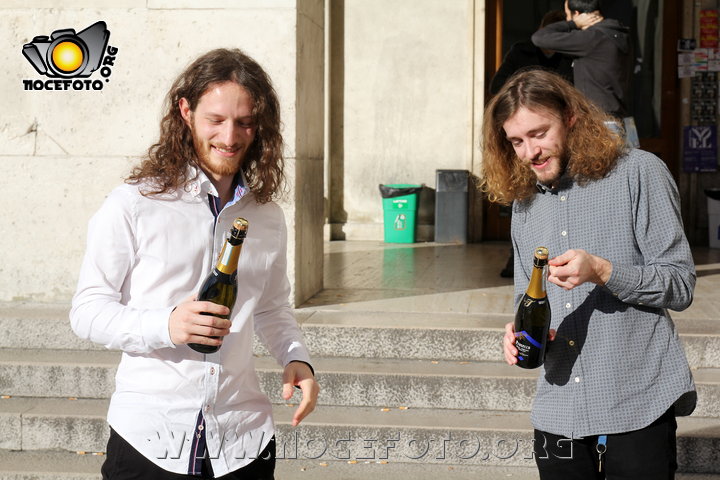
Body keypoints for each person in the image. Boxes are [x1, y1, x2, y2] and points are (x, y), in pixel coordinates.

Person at [70, 48, 320, 479]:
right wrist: (165, 325)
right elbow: (87, 310)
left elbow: (272, 308)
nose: (230, 136)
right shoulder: (134, 203)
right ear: (185, 111)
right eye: (216, 120)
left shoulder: (267, 216)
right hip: (149, 440)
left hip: (243, 441)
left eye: (244, 122)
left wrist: (295, 359)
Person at [481, 69, 696, 479]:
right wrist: (519, 332)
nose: (530, 152)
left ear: (571, 118)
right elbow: (525, 296)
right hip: (558, 407)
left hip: (636, 398)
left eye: (539, 133)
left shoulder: (639, 172)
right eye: (516, 141)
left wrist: (601, 270)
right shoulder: (524, 205)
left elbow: (680, 283)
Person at [491, 9, 574, 278]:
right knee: (524, 200)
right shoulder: (522, 52)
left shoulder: (571, 56)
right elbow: (498, 86)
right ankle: (516, 261)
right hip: (530, 133)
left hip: (560, 140)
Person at [531, 0, 631, 122]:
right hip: (622, 118)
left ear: (577, 14)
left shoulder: (591, 38)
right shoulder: (617, 33)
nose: (567, 19)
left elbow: (539, 38)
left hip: (600, 120)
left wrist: (573, 24)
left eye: (567, 15)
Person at [489, 9, 573, 96]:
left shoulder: (569, 58)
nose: (553, 41)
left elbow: (576, 92)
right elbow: (497, 86)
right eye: (551, 35)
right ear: (541, 31)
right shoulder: (520, 52)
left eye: (559, 37)